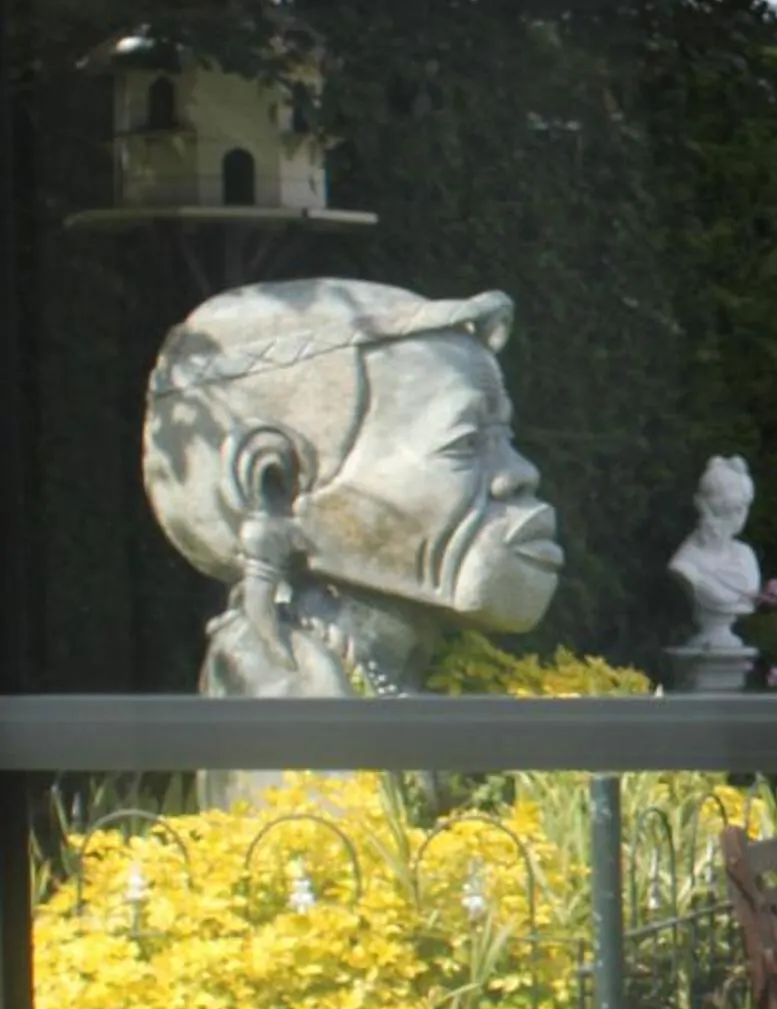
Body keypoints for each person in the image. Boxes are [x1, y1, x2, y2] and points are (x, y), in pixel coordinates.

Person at [143, 278, 563, 699]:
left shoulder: (437, 669)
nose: (521, 473)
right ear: (274, 483)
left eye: (504, 438)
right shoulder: (280, 678)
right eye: (466, 442)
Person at [669, 455, 762, 652]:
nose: (739, 517)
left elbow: (750, 592)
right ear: (708, 507)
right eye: (734, 509)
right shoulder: (685, 562)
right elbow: (683, 572)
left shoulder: (745, 555)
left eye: (743, 509)